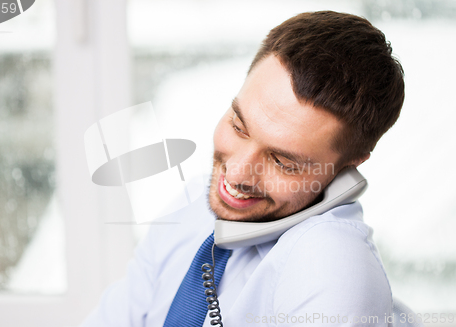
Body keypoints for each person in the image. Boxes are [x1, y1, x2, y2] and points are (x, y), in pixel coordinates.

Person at [80, 10, 404, 327]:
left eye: (282, 162)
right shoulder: (193, 204)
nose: (235, 174)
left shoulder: (332, 264)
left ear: (350, 165)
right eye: (239, 126)